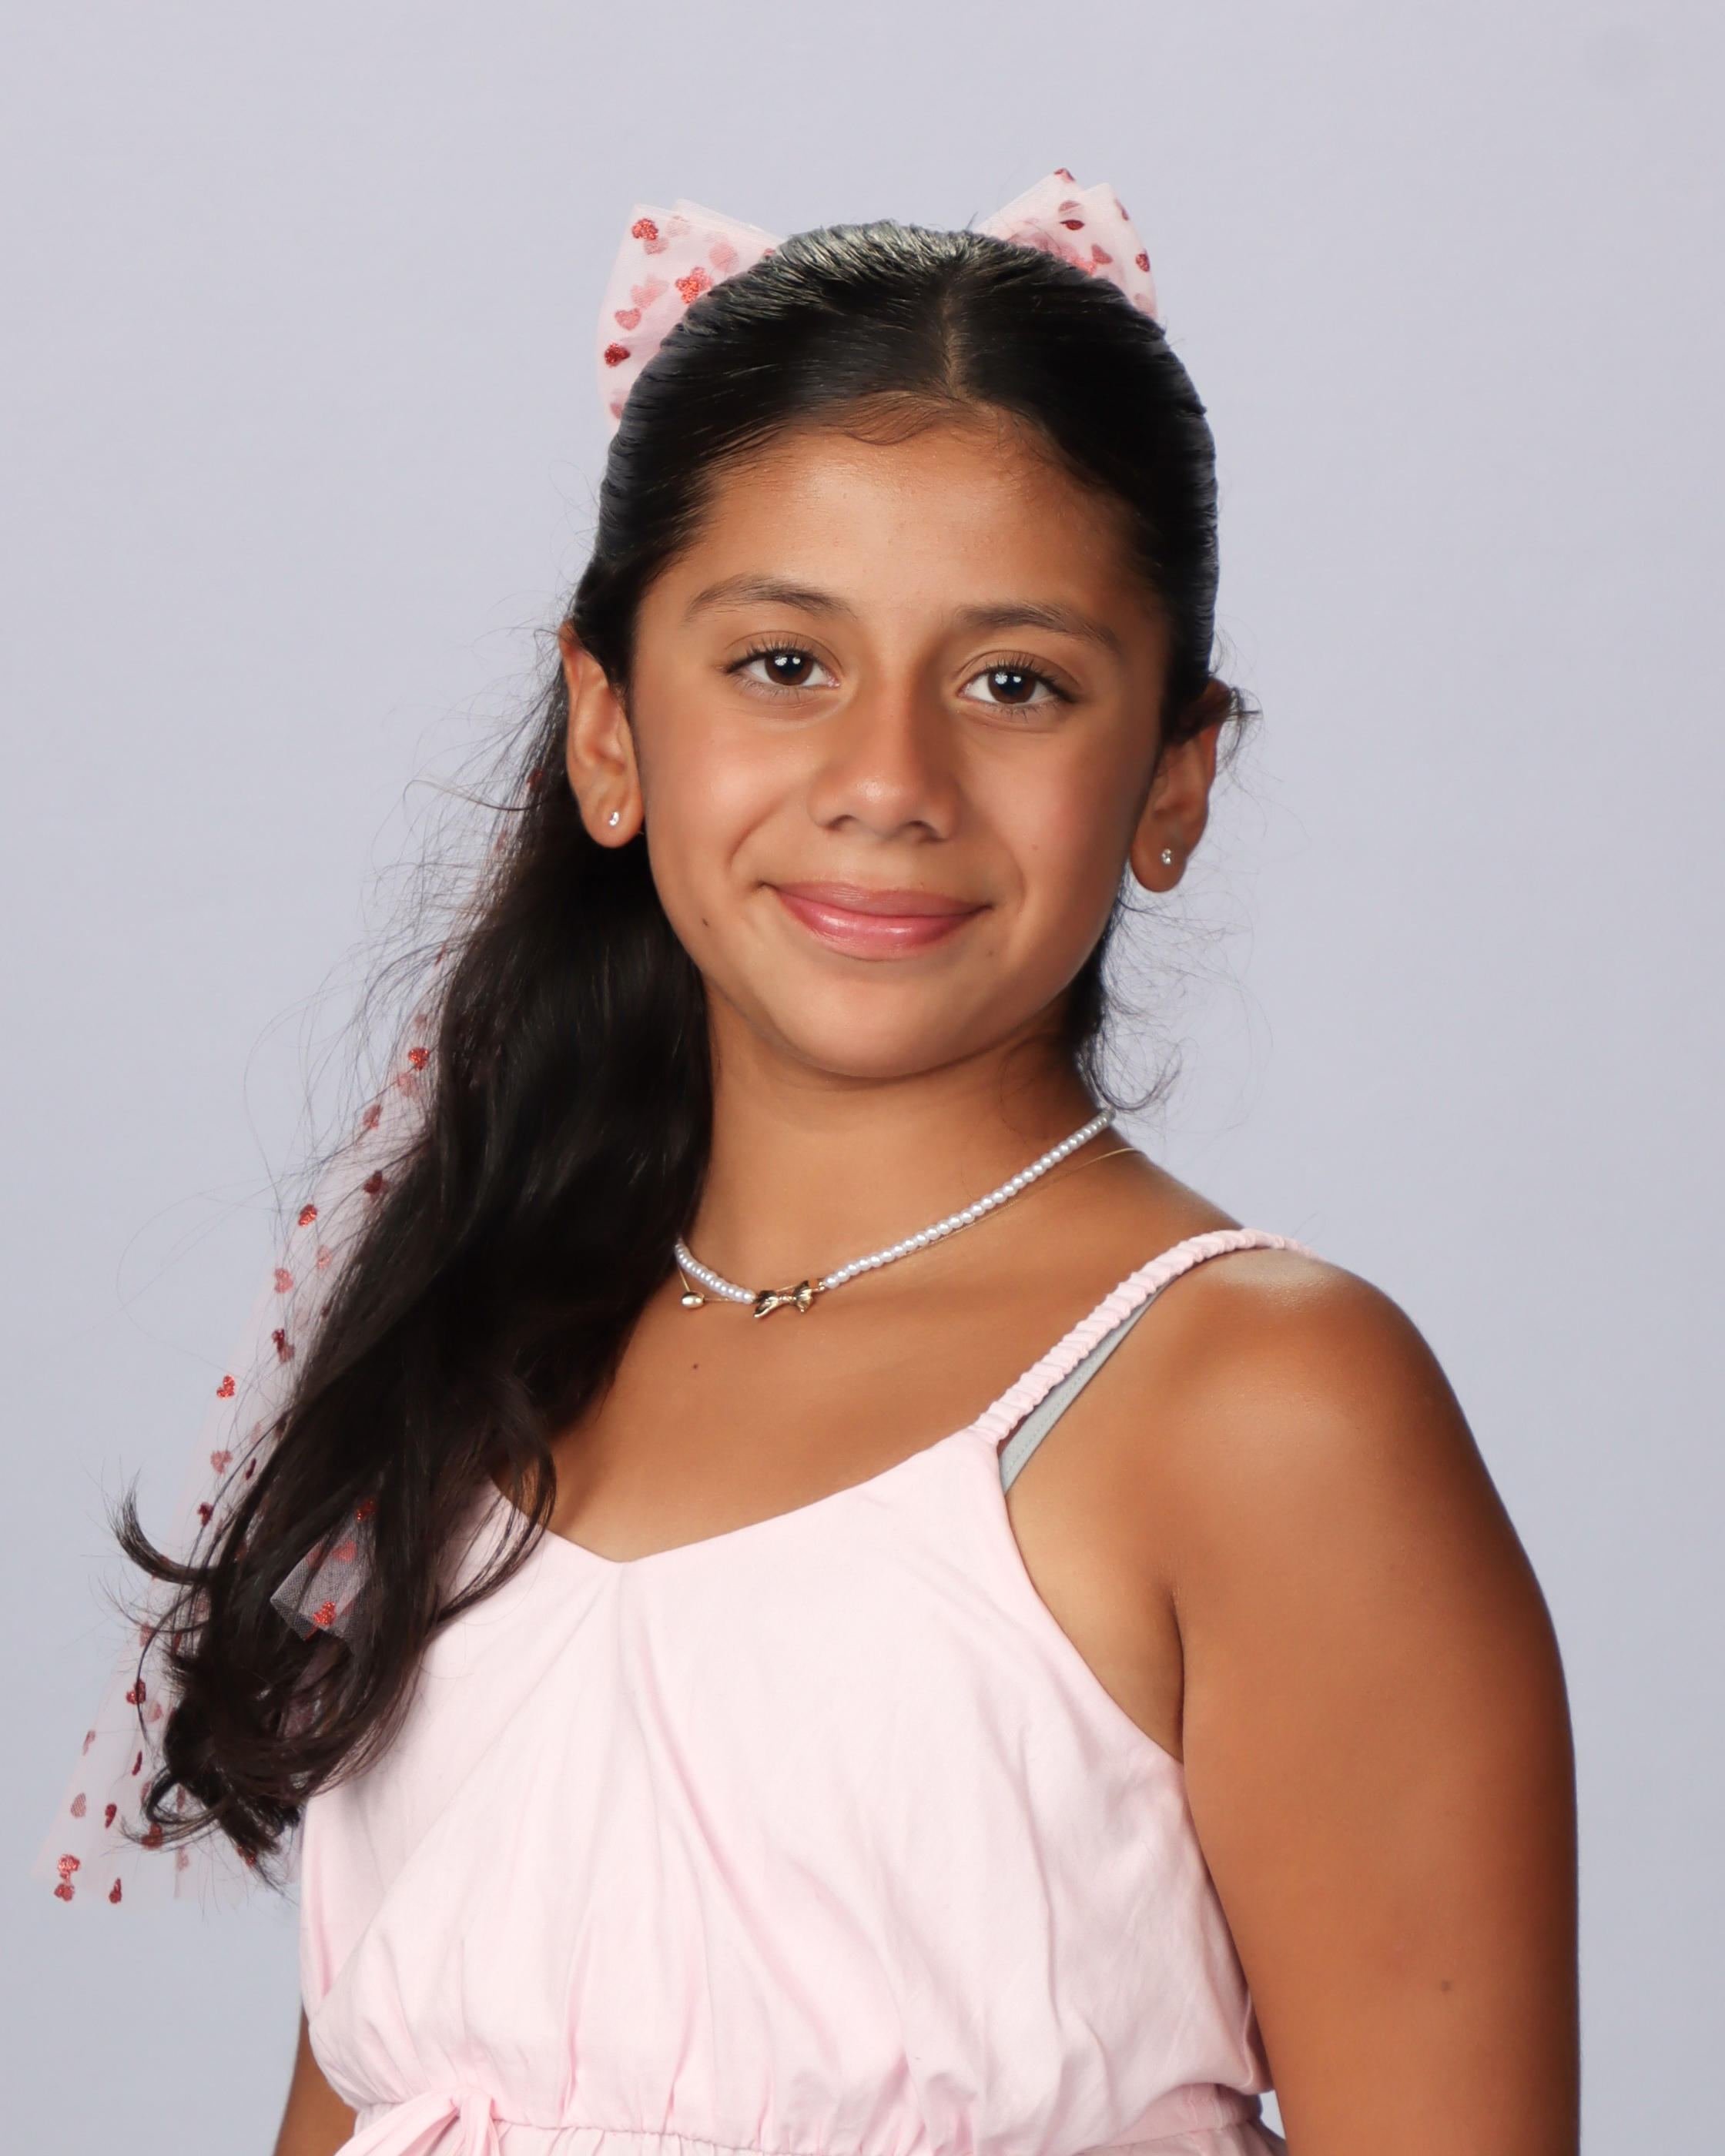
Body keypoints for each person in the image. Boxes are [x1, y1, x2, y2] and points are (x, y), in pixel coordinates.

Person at [42, 176, 1579, 2156]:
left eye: (1014, 682)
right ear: (610, 730)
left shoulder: (1264, 1405)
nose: (887, 780)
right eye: (784, 663)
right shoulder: (495, 1342)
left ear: (1174, 775)